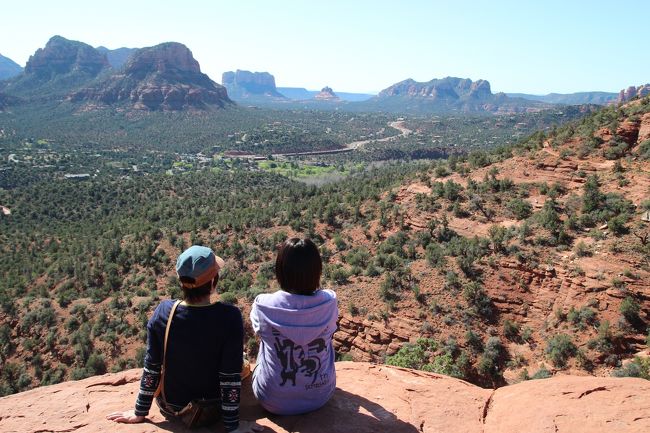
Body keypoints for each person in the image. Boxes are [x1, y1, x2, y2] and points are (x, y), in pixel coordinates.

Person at [107, 245, 263, 433]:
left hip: (171, 407)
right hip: (212, 410)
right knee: (242, 365)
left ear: (181, 282)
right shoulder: (229, 317)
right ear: (213, 281)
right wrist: (232, 427)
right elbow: (229, 375)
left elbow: (152, 366)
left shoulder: (164, 312)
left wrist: (140, 411)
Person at [250, 238, 338, 415]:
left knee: (266, 340)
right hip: (320, 396)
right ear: (317, 271)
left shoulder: (263, 304)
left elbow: (257, 330)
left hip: (272, 399)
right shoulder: (330, 301)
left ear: (280, 271)